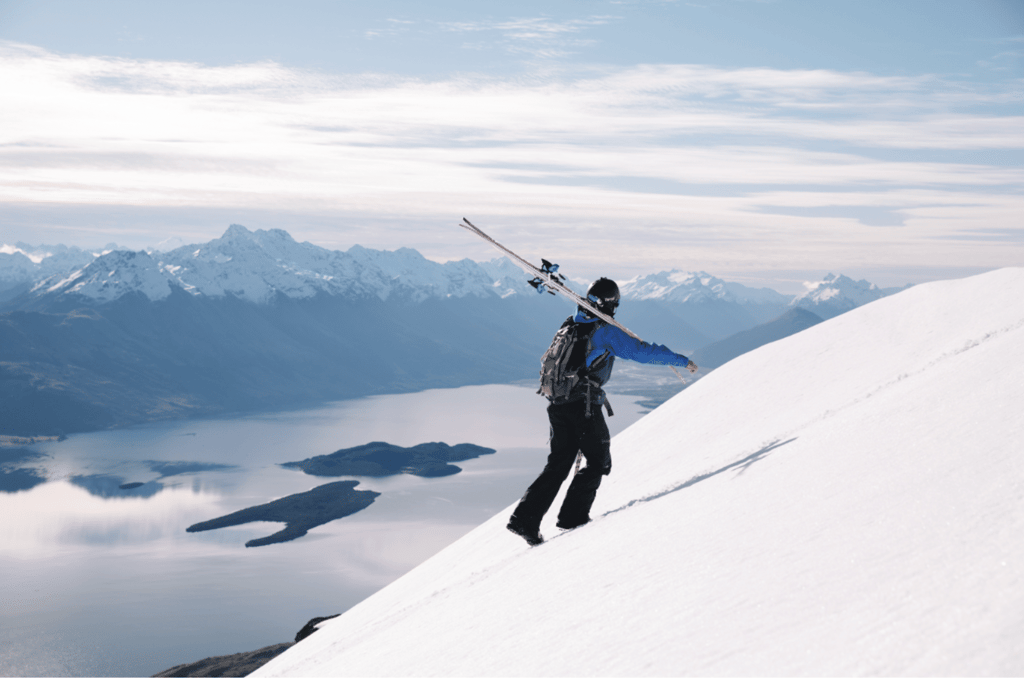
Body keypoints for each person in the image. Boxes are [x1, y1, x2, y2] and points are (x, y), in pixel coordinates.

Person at [506, 277, 698, 546]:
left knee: (558, 465)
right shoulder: (604, 331)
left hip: (558, 404)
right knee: (599, 461)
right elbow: (641, 352)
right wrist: (681, 360)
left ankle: (525, 518)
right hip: (583, 404)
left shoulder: (571, 322)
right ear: (610, 304)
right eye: (615, 305)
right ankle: (572, 517)